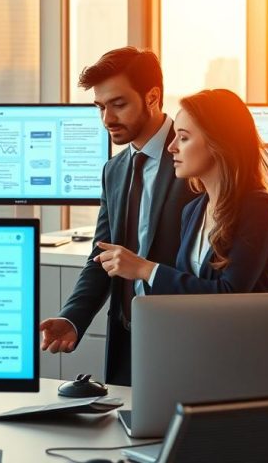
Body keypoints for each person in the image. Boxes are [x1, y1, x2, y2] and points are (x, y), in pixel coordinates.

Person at [39, 47, 197, 386]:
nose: (107, 119)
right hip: (126, 337)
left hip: (184, 336)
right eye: (101, 107)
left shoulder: (194, 156)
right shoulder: (115, 169)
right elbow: (102, 255)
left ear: (152, 96)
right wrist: (73, 318)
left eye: (119, 104)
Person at [94, 88, 268, 297]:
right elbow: (187, 289)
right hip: (197, 329)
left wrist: (144, 269)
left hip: (240, 329)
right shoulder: (193, 210)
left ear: (218, 143)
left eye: (183, 138)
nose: (171, 147)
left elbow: (229, 293)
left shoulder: (257, 209)